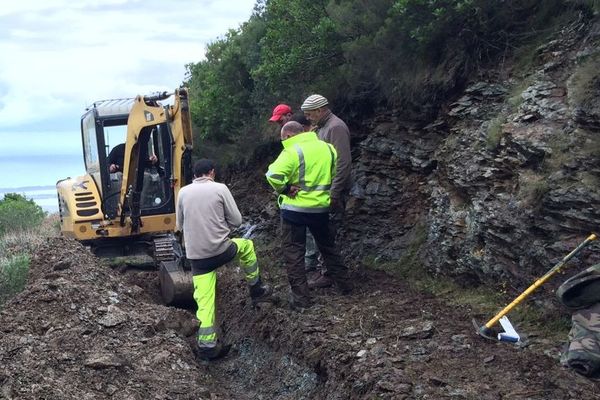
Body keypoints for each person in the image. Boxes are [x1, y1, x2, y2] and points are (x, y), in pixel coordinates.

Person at [176, 159, 272, 361]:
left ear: (194, 175)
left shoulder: (183, 193)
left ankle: (207, 346)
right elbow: (237, 221)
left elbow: (179, 225)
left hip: (197, 258)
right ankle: (257, 288)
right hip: (221, 250)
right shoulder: (220, 188)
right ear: (211, 172)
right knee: (247, 247)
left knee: (205, 302)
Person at [265, 121, 351, 309]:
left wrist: (286, 189)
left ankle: (302, 300)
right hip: (321, 208)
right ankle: (345, 286)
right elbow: (335, 173)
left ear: (288, 136)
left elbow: (273, 175)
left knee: (294, 253)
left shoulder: (291, 152)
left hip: (294, 211)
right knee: (328, 247)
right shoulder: (328, 148)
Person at [300, 94, 352, 288]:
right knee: (323, 231)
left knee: (328, 233)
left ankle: (330, 274)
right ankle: (327, 271)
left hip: (334, 191)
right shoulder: (322, 128)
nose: (308, 117)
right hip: (325, 190)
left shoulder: (335, 127)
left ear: (320, 110)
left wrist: (335, 192)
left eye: (310, 113)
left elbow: (343, 163)